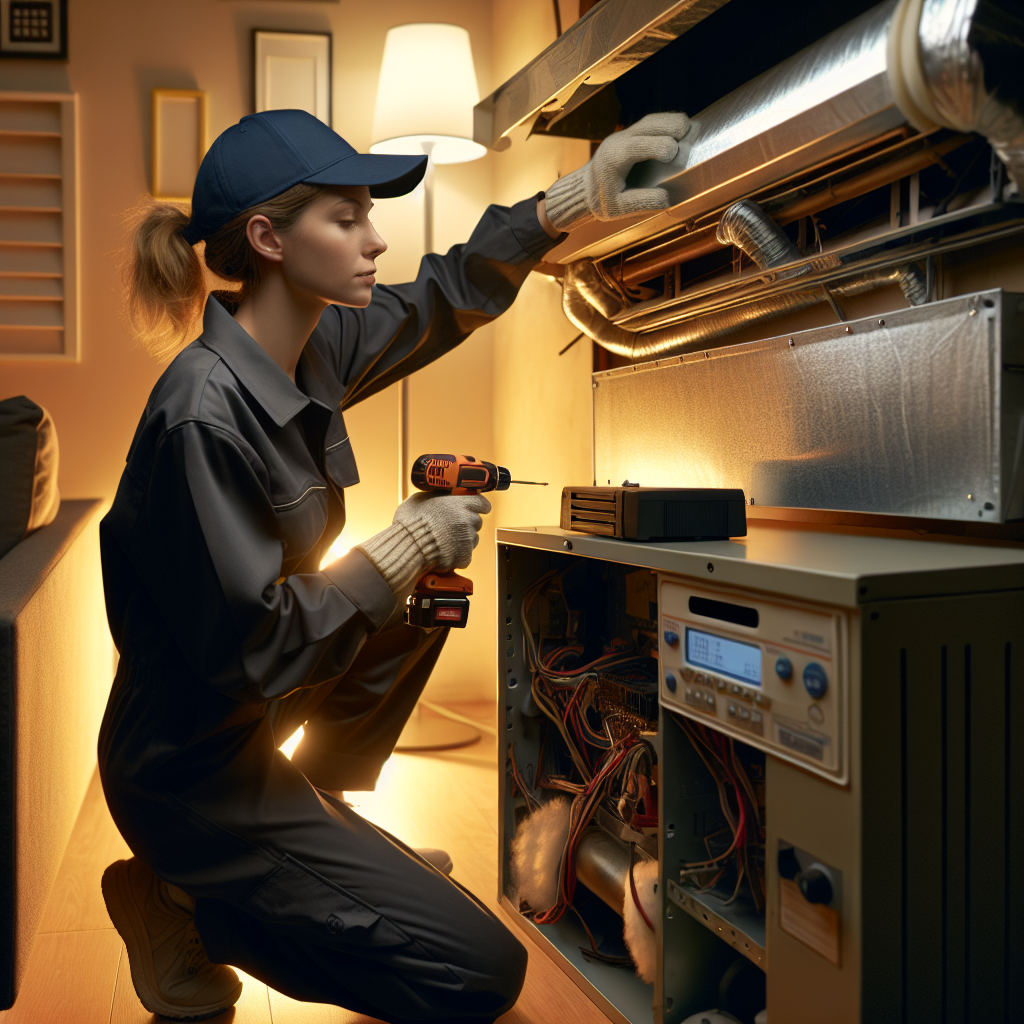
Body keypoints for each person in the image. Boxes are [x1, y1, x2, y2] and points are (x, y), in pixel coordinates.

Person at [98, 107, 689, 1023]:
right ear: (267, 238)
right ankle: (183, 903)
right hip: (188, 772)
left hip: (251, 728)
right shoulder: (200, 417)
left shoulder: (311, 346)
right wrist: (405, 540)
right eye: (345, 218)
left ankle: (323, 834)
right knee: (480, 973)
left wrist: (569, 201)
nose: (375, 238)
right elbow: (252, 649)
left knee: (423, 600)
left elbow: (444, 294)